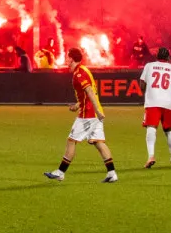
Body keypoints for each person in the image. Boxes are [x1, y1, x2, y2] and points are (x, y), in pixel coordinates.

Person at [45, 47, 118, 183]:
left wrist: (97, 111)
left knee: (71, 141)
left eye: (67, 57)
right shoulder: (83, 70)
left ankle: (60, 172)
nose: (66, 60)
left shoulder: (79, 73)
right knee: (99, 143)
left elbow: (90, 91)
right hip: (92, 113)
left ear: (72, 58)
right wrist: (77, 105)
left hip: (88, 115)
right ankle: (112, 173)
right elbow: (86, 95)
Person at [138, 46, 171, 168]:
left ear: (157, 56)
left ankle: (151, 156)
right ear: (168, 57)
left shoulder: (149, 66)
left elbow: (142, 83)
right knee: (169, 131)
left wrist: (146, 92)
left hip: (152, 102)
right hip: (167, 103)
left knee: (151, 128)